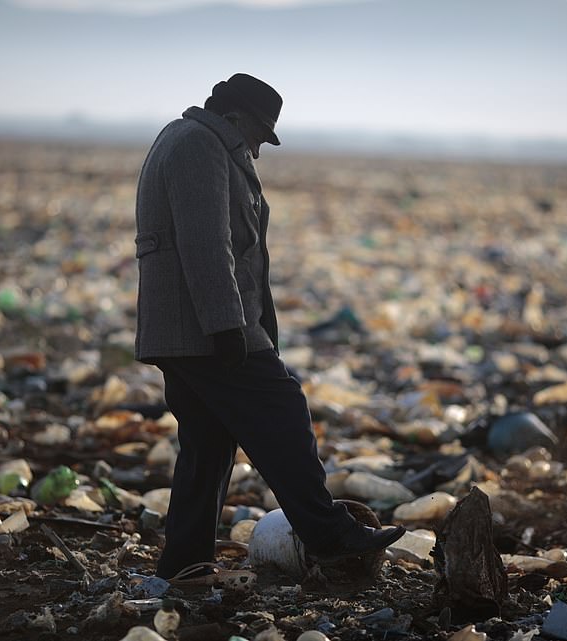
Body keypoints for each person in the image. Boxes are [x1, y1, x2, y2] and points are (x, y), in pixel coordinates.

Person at [133, 73, 405, 581]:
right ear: (238, 118)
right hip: (203, 328)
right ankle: (328, 533)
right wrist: (226, 327)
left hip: (188, 328)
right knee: (283, 409)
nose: (258, 149)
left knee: (209, 443)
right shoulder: (199, 144)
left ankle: (184, 564)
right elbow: (205, 243)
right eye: (260, 134)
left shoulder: (188, 138)